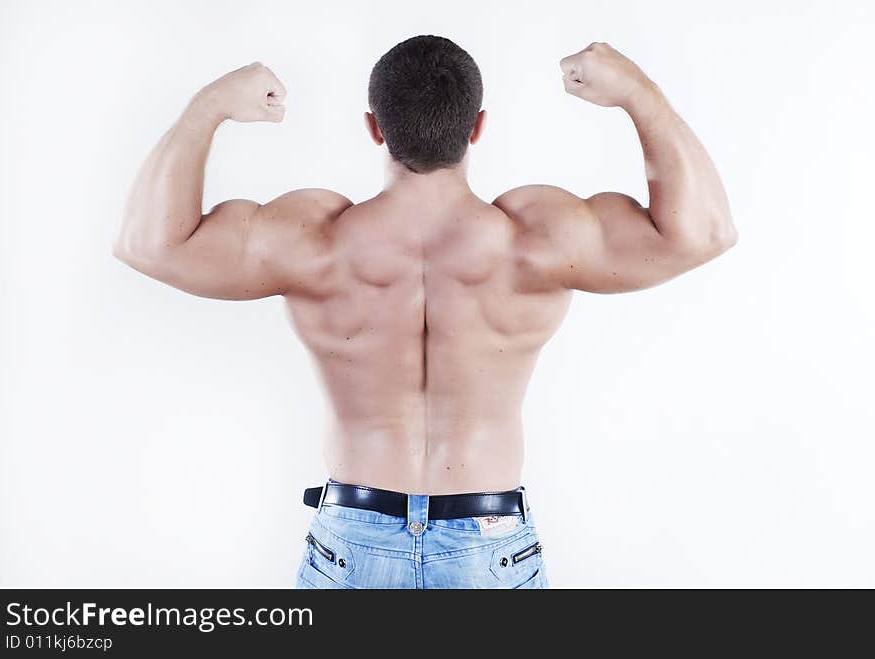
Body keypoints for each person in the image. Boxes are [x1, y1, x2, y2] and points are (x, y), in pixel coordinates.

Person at [113, 35, 737, 589]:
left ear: (374, 127)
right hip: (489, 546)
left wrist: (210, 106)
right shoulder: (535, 240)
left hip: (352, 543)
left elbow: (148, 243)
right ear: (477, 126)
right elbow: (703, 233)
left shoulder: (315, 241)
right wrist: (638, 94)